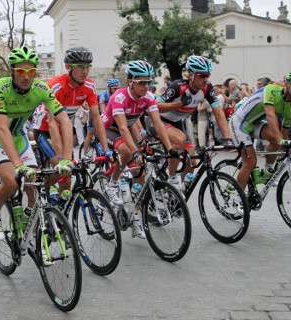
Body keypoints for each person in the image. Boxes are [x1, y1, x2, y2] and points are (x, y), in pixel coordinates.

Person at [0, 46, 74, 251]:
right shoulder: (1, 87)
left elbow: (65, 122)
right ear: (12, 71)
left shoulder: (40, 89)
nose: (26, 76)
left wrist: (66, 158)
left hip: (19, 136)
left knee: (34, 182)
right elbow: (3, 129)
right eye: (21, 71)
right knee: (12, 181)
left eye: (31, 71)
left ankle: (28, 221)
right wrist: (17, 164)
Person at [101, 60, 175, 238]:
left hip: (127, 130)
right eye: (141, 82)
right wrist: (135, 151)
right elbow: (123, 128)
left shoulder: (148, 97)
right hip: (110, 130)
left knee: (141, 178)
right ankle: (112, 183)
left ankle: (134, 215)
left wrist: (170, 148)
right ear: (131, 82)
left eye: (148, 82)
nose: (146, 86)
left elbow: (158, 124)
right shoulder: (118, 97)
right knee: (127, 151)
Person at [32, 46, 111, 197]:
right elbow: (52, 123)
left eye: (88, 67)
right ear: (68, 67)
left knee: (67, 179)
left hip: (65, 129)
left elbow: (96, 117)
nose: (85, 71)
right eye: (80, 67)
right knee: (63, 168)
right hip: (45, 130)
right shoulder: (56, 86)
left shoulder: (89, 86)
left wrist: (105, 148)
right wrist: (61, 157)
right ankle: (39, 187)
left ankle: (61, 212)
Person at [156, 55, 233, 189]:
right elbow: (156, 106)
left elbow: (219, 113)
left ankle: (178, 197)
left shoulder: (207, 88)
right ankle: (172, 179)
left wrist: (227, 138)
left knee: (193, 160)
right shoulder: (177, 86)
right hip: (159, 119)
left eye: (207, 75)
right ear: (191, 75)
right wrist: (179, 104)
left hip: (177, 121)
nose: (206, 79)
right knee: (180, 139)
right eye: (202, 76)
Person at [229, 69, 291, 190]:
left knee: (276, 139)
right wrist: (280, 140)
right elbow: (270, 115)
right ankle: (238, 198)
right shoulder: (272, 89)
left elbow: (284, 134)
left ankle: (268, 171)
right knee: (250, 162)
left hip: (254, 123)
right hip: (239, 122)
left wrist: (286, 145)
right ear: (287, 83)